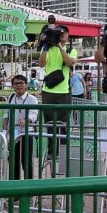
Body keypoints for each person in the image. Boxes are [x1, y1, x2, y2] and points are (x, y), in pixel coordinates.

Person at [38, 25, 77, 159]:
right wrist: (45, 45)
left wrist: (60, 46)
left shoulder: (71, 50)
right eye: (60, 33)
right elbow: (41, 64)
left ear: (68, 35)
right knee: (49, 124)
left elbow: (69, 62)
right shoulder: (48, 49)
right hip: (48, 91)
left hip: (63, 92)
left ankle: (63, 153)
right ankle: (51, 152)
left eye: (65, 33)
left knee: (63, 125)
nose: (62, 34)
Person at [4, 74, 39, 180]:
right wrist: (5, 125)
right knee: (13, 161)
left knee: (26, 161)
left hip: (26, 134)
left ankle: (28, 188)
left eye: (21, 83)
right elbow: (7, 113)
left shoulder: (32, 99)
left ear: (26, 85)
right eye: (16, 83)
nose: (19, 86)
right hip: (13, 134)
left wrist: (26, 120)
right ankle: (15, 189)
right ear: (13, 86)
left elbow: (34, 114)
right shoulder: (11, 97)